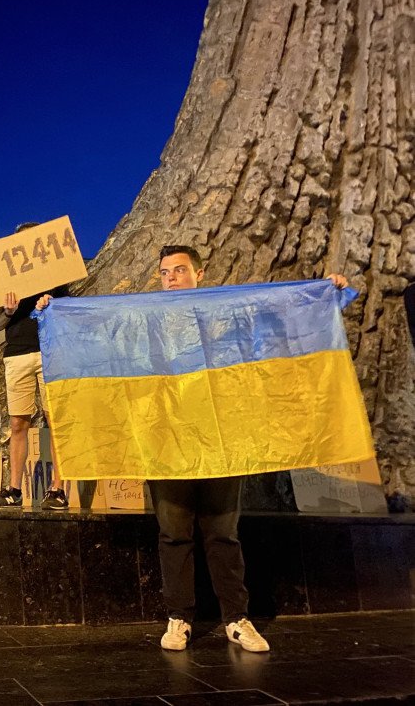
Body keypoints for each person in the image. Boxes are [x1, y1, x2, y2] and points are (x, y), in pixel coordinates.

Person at [147, 245, 350, 654]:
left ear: (200, 274)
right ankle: (180, 618)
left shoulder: (225, 315)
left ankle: (236, 619)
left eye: (180, 270)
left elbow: (272, 325)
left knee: (223, 534)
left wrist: (323, 294)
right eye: (165, 272)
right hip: (169, 443)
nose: (171, 278)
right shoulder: (147, 320)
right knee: (174, 534)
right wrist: (51, 311)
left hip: (222, 441)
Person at [0, 222, 70, 510]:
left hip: (50, 352)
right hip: (17, 353)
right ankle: (14, 490)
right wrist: (8, 311)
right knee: (18, 421)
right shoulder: (5, 279)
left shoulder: (57, 273)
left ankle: (58, 488)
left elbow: (70, 311)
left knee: (54, 419)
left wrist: (53, 304)